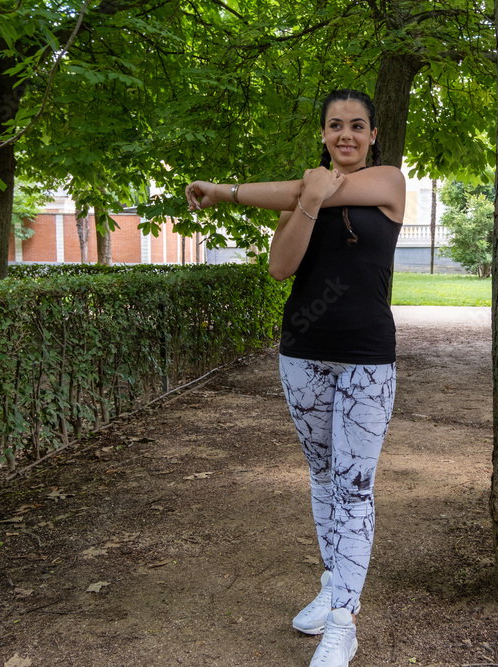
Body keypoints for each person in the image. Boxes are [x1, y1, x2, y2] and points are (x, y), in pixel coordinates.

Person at [185, 89, 405, 667]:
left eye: (357, 126)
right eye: (335, 126)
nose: (346, 136)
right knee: (324, 477)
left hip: (367, 358)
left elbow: (308, 187)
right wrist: (305, 200)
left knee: (355, 489)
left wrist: (227, 192)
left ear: (373, 134)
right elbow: (281, 267)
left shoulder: (389, 184)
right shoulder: (301, 195)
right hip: (303, 354)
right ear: (324, 133)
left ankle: (343, 621)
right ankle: (334, 585)